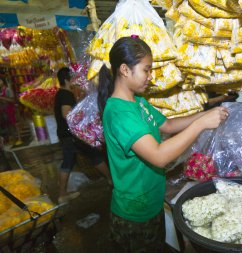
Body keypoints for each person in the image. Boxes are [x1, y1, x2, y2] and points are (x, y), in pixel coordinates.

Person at [97, 36, 229, 253]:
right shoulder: (119, 113)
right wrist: (200, 125)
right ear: (124, 69)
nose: (150, 76)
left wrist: (205, 115)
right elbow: (158, 156)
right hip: (134, 215)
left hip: (152, 203)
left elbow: (167, 125)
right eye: (146, 70)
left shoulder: (138, 103)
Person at [54, 67, 112, 204]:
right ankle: (62, 194)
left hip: (68, 135)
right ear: (67, 79)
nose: (75, 80)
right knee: (75, 160)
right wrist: (84, 120)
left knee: (91, 156)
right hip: (71, 136)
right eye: (73, 77)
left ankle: (110, 179)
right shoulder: (66, 94)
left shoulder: (61, 93)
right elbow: (66, 114)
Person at [0, 77, 21, 146]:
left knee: (15, 124)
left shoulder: (8, 90)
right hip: (4, 110)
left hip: (11, 109)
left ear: (3, 82)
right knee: (9, 125)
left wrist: (2, 98)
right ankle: (14, 139)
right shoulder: (1, 91)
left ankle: (19, 138)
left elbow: (12, 100)